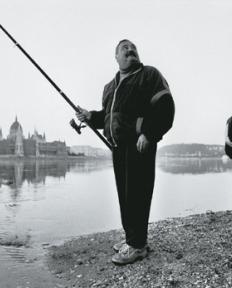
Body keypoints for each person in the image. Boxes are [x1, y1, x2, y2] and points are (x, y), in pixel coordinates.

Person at [76, 39, 175, 265]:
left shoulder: (150, 75)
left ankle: (138, 246)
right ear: (116, 57)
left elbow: (166, 107)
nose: (130, 50)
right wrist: (90, 116)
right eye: (124, 48)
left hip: (140, 143)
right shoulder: (110, 87)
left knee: (138, 194)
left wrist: (149, 134)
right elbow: (110, 118)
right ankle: (132, 238)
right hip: (117, 146)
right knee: (125, 196)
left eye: (133, 48)